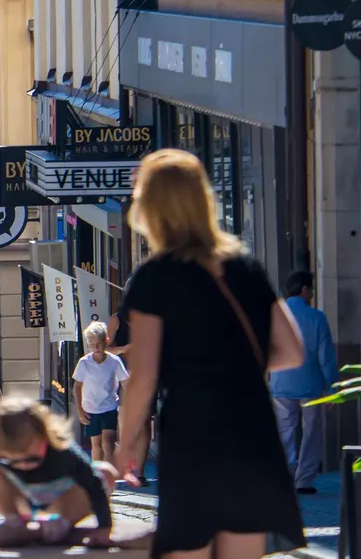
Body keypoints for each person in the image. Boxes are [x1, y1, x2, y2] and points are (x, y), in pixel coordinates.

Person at [119, 149, 306, 559]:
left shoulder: (155, 277)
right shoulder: (246, 269)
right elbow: (291, 352)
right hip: (252, 431)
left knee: (187, 547)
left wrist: (125, 444)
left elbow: (145, 375)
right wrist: (232, 363)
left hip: (194, 432)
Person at [0, 397, 115, 544]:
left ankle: (62, 522)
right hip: (22, 498)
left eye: (31, 458)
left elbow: (94, 483)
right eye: (12, 460)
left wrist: (104, 526)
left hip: (63, 499)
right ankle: (15, 519)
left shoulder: (63, 450)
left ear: (44, 436)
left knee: (104, 472)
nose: (23, 465)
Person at [270, 270, 338, 495]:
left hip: (281, 382)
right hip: (311, 383)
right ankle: (304, 480)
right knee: (312, 432)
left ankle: (283, 476)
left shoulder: (273, 316)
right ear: (305, 290)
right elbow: (326, 356)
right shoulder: (317, 317)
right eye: (311, 289)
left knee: (284, 431)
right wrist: (332, 387)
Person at [72, 321, 129, 466]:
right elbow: (77, 386)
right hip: (90, 408)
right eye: (91, 344)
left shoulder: (114, 361)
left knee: (108, 442)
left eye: (98, 343)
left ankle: (109, 473)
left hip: (109, 406)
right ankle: (98, 474)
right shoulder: (84, 363)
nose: (95, 348)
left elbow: (125, 382)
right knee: (96, 443)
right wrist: (80, 410)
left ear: (106, 341)